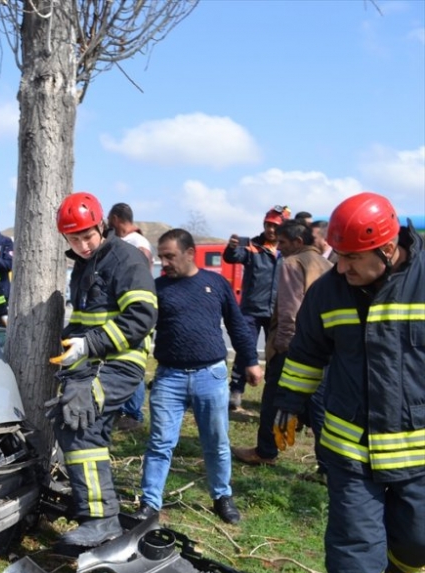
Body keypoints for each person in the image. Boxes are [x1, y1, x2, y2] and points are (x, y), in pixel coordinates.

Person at [273, 193, 424, 573]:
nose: (341, 268)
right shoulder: (329, 292)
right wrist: (289, 402)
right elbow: (307, 352)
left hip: (417, 447)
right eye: (337, 256)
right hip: (348, 444)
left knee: (419, 535)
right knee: (354, 541)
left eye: (352, 258)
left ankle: (402, 564)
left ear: (386, 249)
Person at [44, 192, 157, 553]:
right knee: (80, 425)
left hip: (121, 362)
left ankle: (101, 520)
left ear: (102, 226)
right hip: (92, 361)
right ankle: (93, 509)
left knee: (77, 421)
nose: (82, 245)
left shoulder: (125, 258)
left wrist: (88, 344)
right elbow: (86, 318)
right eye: (73, 240)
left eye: (87, 236)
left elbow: (141, 315)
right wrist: (71, 343)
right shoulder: (84, 264)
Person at [134, 229, 261, 525]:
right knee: (160, 442)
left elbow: (237, 326)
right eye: (161, 256)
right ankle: (150, 504)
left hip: (211, 376)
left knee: (216, 441)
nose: (164, 262)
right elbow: (140, 329)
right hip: (169, 379)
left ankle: (221, 497)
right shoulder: (157, 288)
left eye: (170, 256)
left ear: (190, 253)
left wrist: (252, 362)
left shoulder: (215, 283)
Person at [233, 221, 331, 466]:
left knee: (273, 399)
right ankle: (329, 465)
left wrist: (283, 346)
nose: (279, 248)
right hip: (321, 346)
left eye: (283, 243)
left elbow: (289, 309)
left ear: (298, 242)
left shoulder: (292, 263)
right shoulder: (327, 264)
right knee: (319, 406)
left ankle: (265, 452)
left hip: (293, 347)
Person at [223, 206, 283, 409]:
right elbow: (233, 257)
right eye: (268, 225)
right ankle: (236, 391)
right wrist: (231, 248)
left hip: (276, 312)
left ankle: (273, 393)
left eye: (275, 226)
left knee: (275, 352)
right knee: (245, 350)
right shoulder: (252, 247)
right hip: (251, 310)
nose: (270, 229)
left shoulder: (287, 251)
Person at [108, 202, 153, 430]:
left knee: (131, 362)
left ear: (116, 218)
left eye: (109, 220)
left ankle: (133, 414)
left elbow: (139, 280)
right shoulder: (129, 242)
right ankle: (120, 409)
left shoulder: (137, 243)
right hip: (118, 312)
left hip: (130, 313)